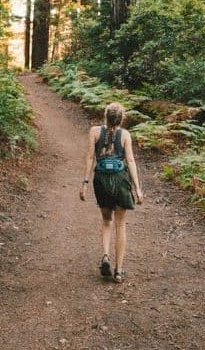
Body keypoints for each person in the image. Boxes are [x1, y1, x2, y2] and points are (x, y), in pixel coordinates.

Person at [79, 101, 143, 283]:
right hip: (120, 180)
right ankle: (119, 271)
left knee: (107, 221)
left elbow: (90, 157)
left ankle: (106, 256)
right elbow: (130, 161)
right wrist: (137, 188)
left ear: (105, 116)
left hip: (101, 181)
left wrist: (85, 183)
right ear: (121, 119)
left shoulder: (94, 131)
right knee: (120, 225)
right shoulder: (125, 135)